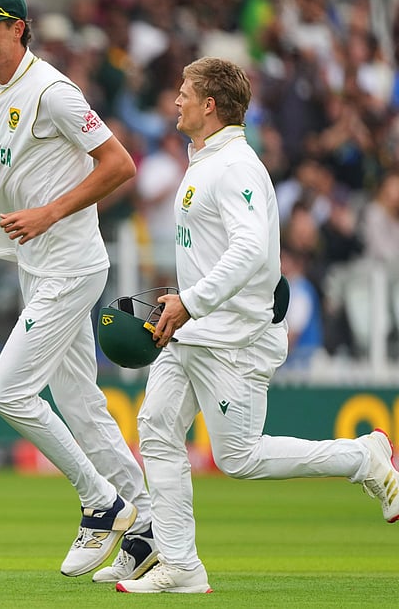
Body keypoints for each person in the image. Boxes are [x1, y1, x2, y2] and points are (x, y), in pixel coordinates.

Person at [117, 57, 399, 594]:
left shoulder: (237, 167)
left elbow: (250, 251)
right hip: (195, 329)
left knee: (239, 457)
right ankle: (180, 565)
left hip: (234, 337)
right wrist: (185, 305)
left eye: (184, 93)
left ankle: (363, 457)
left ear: (209, 105)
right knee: (156, 429)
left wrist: (191, 301)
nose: (175, 100)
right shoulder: (205, 160)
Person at [0, 0, 155, 581]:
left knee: (8, 392)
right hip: (34, 264)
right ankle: (149, 524)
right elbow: (6, 159)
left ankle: (101, 502)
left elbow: (119, 164)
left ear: (19, 29)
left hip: (71, 265)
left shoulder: (55, 92)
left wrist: (49, 213)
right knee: (81, 403)